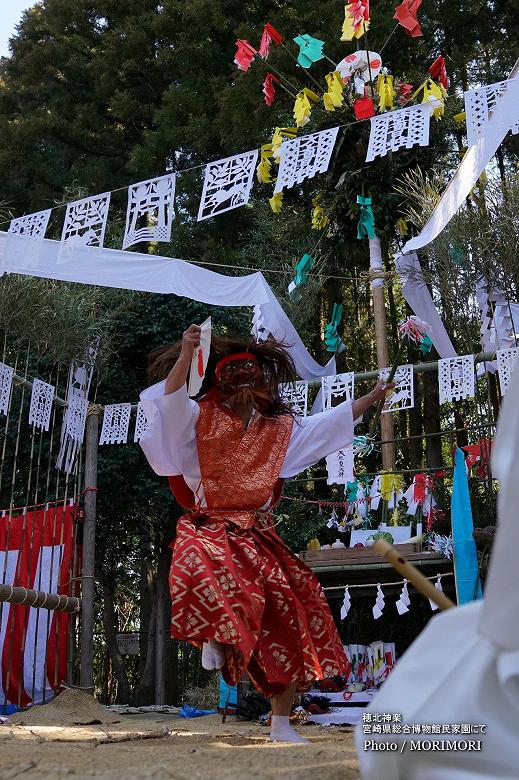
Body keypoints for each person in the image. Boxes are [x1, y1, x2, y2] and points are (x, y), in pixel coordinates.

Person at [140, 324, 390, 743]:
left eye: (250, 384)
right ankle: (217, 632)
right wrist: (186, 353)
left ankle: (280, 723)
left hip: (258, 534)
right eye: (235, 384)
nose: (243, 393)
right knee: (215, 573)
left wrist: (375, 395)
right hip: (208, 530)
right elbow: (171, 399)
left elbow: (328, 425)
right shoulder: (197, 419)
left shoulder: (277, 430)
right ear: (220, 385)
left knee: (295, 610)